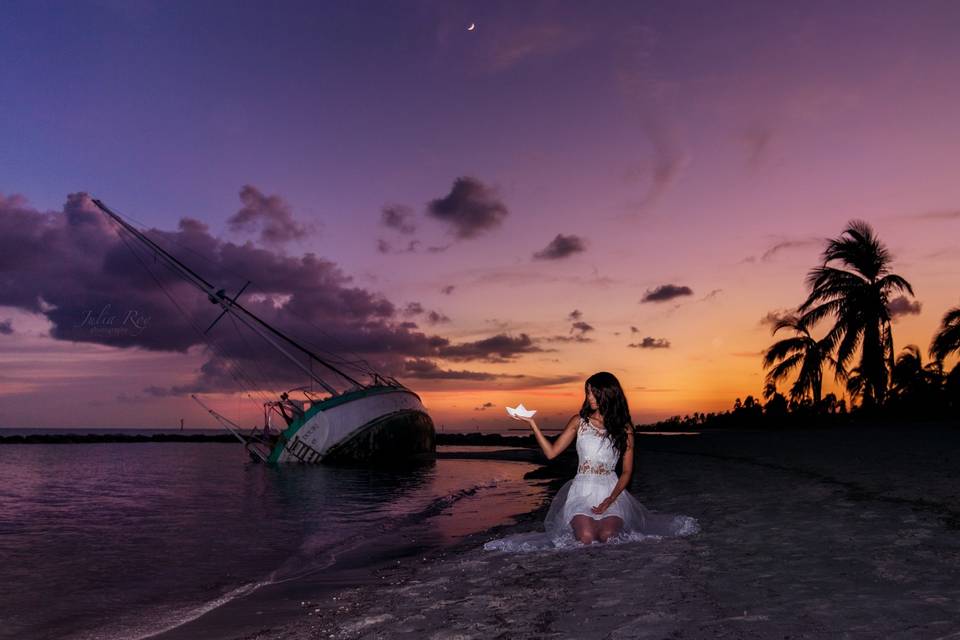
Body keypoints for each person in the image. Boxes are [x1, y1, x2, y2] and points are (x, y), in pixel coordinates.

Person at [483, 371, 699, 552]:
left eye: (593, 393)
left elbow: (626, 472)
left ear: (608, 395)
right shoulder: (579, 422)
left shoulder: (624, 428)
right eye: (587, 393)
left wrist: (610, 499)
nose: (589, 398)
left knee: (607, 536)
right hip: (581, 489)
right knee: (586, 537)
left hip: (611, 492)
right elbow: (551, 453)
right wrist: (532, 423)